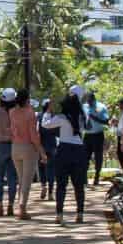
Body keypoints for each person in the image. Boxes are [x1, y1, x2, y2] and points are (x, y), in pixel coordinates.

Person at [44, 91, 90, 225]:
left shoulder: (61, 117)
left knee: (61, 185)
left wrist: (48, 110)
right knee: (79, 186)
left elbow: (45, 124)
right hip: (79, 150)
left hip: (64, 150)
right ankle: (80, 214)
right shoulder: (82, 116)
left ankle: (59, 214)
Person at [6, 91, 44, 219]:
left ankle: (20, 206)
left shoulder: (11, 112)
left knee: (21, 179)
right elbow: (33, 135)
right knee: (26, 180)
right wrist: (41, 151)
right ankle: (22, 208)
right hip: (28, 147)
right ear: (27, 99)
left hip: (15, 147)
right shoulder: (30, 113)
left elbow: (11, 130)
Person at [0, 89, 18, 216]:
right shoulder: (18, 113)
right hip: (14, 146)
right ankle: (11, 206)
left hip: (0, 146)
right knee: (12, 177)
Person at [81, 89, 110, 185]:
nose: (87, 102)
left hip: (98, 134)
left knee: (98, 157)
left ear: (93, 98)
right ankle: (84, 178)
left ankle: (97, 176)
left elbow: (106, 121)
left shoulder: (101, 107)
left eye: (89, 100)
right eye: (86, 100)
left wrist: (95, 118)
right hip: (87, 135)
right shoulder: (84, 106)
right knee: (84, 157)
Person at [37, 99, 59, 200]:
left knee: (42, 167)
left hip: (42, 145)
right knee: (50, 168)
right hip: (51, 145)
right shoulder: (54, 117)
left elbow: (36, 130)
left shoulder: (39, 116)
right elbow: (58, 131)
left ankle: (44, 186)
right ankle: (50, 192)